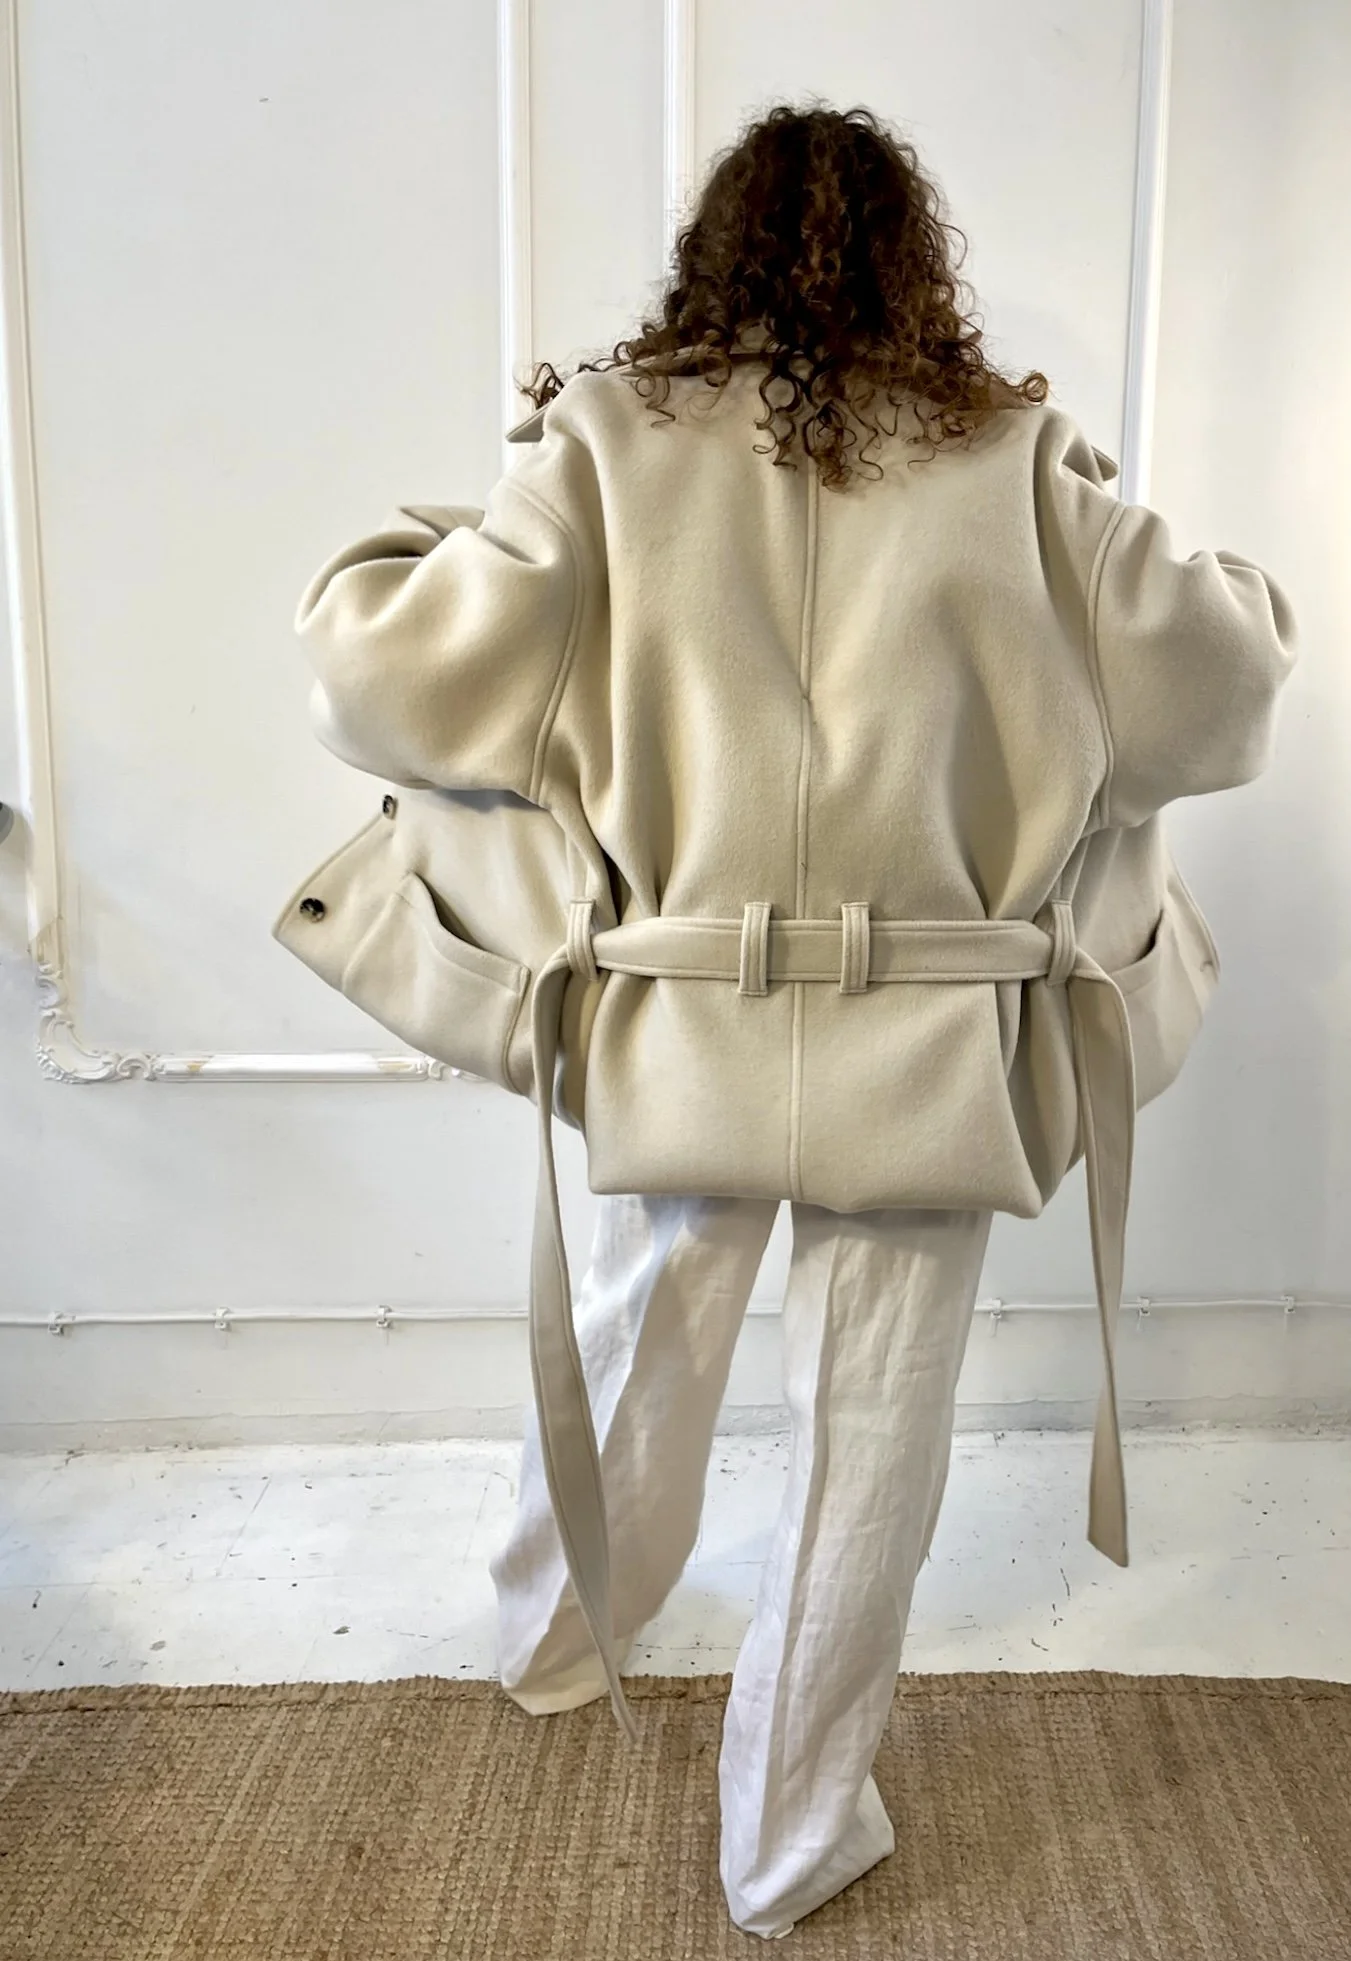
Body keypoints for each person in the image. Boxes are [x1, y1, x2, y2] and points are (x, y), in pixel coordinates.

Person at [292, 103, 1296, 1941]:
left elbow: (384, 680)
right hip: (936, 1045)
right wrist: (1217, 582)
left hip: (683, 1016)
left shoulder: (603, 449)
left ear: (718, 251)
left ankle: (549, 1640)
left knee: (644, 1325)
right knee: (877, 1423)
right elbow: (1220, 691)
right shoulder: (1016, 462)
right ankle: (787, 1836)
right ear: (920, 262)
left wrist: (442, 527)